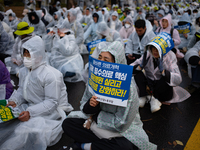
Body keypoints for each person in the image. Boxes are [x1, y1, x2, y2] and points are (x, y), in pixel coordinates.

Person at [62, 41, 157, 150]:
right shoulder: (95, 78)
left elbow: (122, 123)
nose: (101, 62)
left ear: (116, 62)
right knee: (68, 124)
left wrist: (95, 117)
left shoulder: (128, 88)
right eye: (100, 58)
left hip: (121, 131)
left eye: (106, 60)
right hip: (95, 123)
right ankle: (101, 146)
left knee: (125, 146)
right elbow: (84, 105)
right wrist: (91, 105)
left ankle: (83, 146)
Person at [0, 36, 73, 150]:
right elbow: (21, 90)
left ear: (39, 56)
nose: (25, 58)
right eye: (25, 54)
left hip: (49, 112)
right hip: (30, 105)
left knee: (24, 130)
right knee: (6, 123)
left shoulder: (51, 75)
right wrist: (15, 101)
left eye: (29, 55)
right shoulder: (24, 71)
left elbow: (51, 102)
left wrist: (30, 112)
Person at [131, 39, 190, 113]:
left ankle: (154, 99)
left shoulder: (170, 56)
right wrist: (140, 66)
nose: (155, 51)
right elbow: (130, 68)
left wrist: (163, 71)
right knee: (137, 72)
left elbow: (178, 79)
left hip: (163, 89)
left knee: (164, 77)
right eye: (153, 49)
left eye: (158, 49)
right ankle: (144, 96)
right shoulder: (148, 55)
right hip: (150, 85)